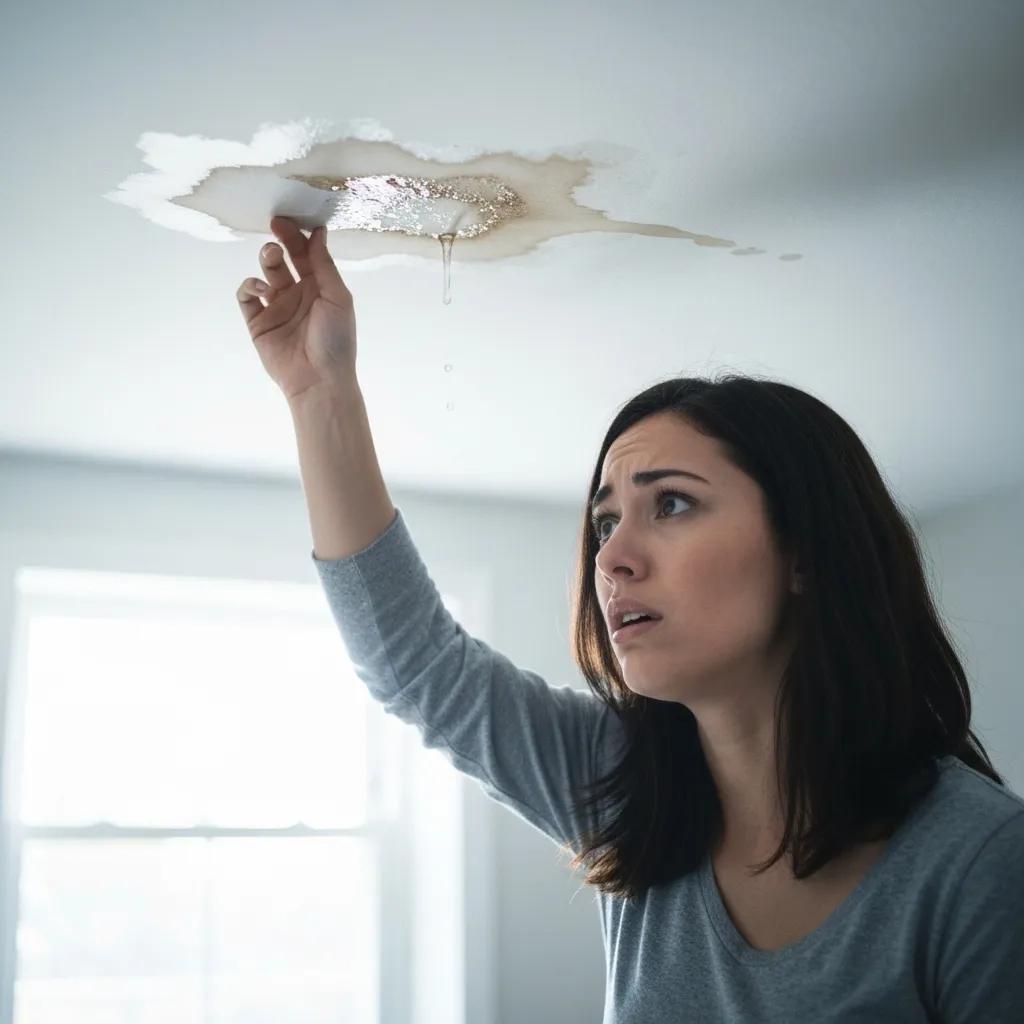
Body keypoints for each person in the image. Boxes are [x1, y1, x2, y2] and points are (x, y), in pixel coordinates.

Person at [237, 217, 1024, 1022]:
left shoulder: (981, 864)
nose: (612, 559)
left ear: (806, 553)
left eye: (672, 504)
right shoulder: (625, 789)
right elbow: (415, 665)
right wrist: (319, 392)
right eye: (607, 522)